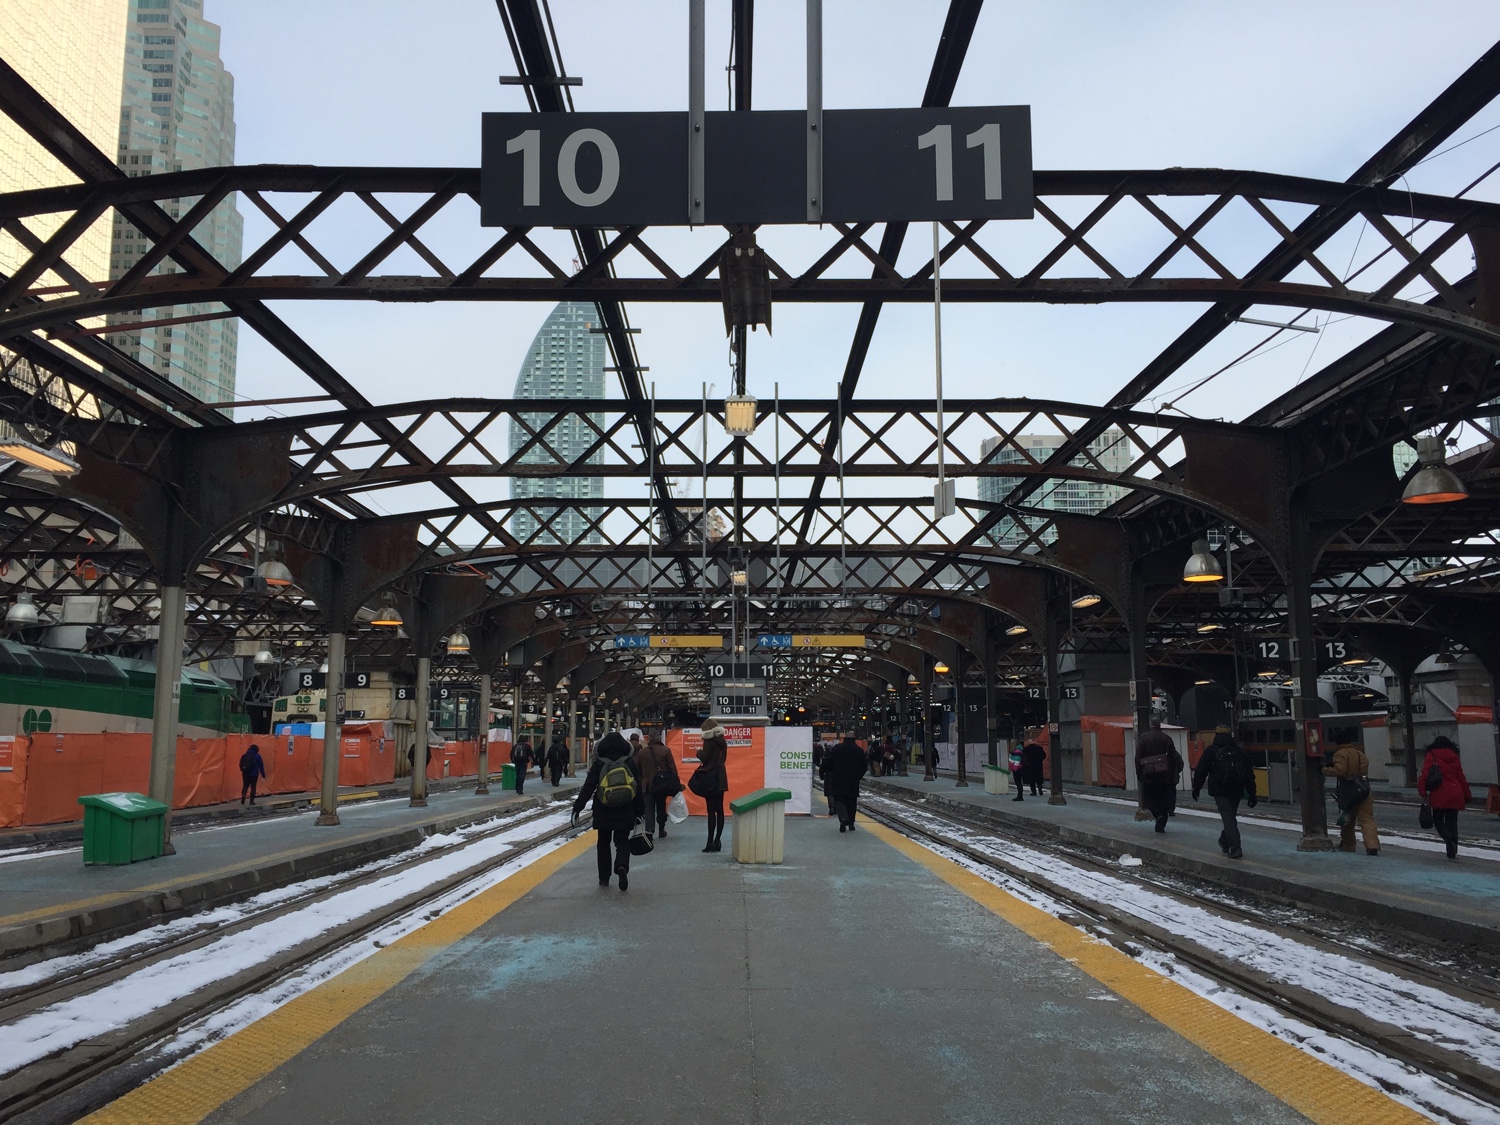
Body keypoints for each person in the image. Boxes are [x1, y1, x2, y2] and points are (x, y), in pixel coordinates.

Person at [571, 731, 644, 891]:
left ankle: (604, 878)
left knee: (603, 843)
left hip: (603, 809)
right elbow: (638, 787)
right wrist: (640, 809)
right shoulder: (629, 762)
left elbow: (588, 787)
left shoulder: (599, 763)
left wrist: (578, 806)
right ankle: (621, 866)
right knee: (622, 841)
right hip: (626, 808)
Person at [1192, 727, 1258, 859]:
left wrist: (1196, 788)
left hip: (1219, 790)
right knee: (1230, 818)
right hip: (1237, 790)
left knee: (1228, 819)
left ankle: (1235, 848)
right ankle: (1225, 841)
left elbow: (1201, 771)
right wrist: (1252, 794)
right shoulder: (1239, 752)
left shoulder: (1211, 751)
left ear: (1216, 735)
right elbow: (1249, 774)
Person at [1417, 735, 1471, 860]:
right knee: (1452, 822)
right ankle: (1452, 850)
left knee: (1438, 820)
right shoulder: (1454, 756)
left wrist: (1422, 791)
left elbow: (1425, 774)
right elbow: (1461, 777)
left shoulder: (1432, 755)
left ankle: (1449, 840)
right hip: (1456, 792)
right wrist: (1467, 794)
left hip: (1439, 793)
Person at [1322, 741, 1379, 856]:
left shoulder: (1340, 754)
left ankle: (1348, 845)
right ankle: (1372, 845)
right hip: (1364, 790)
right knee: (1367, 819)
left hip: (1349, 793)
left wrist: (1325, 770)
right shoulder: (1360, 754)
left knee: (1346, 819)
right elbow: (1364, 769)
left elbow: (1340, 770)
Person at [1134, 718, 1185, 832]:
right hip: (1164, 774)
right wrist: (1172, 774)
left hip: (1148, 774)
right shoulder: (1167, 738)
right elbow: (1173, 757)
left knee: (1149, 798)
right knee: (1163, 798)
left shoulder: (1143, 738)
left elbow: (1138, 757)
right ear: (1159, 726)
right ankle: (1162, 821)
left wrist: (1139, 773)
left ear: (1150, 725)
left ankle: (1157, 815)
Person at [823, 730, 869, 832]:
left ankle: (843, 818)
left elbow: (829, 763)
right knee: (852, 802)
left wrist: (833, 773)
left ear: (844, 739)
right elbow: (864, 766)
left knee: (840, 801)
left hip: (838, 779)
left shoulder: (837, 749)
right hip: (853, 781)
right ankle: (851, 823)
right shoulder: (859, 750)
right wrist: (858, 776)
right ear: (854, 739)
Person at [636, 731, 679, 838]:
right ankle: (661, 829)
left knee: (649, 809)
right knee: (661, 806)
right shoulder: (665, 750)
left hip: (647, 785)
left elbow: (637, 770)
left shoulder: (642, 753)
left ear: (649, 739)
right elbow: (672, 769)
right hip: (661, 785)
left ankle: (649, 832)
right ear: (659, 738)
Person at [696, 719, 730, 853]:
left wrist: (698, 752)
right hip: (721, 776)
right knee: (720, 810)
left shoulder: (708, 742)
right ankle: (718, 841)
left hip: (710, 776)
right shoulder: (723, 742)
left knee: (711, 811)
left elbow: (705, 757)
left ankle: (709, 842)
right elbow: (723, 759)